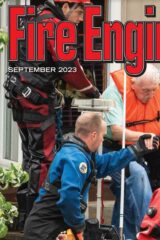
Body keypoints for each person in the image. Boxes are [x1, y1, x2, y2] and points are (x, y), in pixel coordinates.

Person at [4, 0, 101, 228]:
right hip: (36, 101)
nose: (82, 19)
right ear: (65, 6)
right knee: (44, 158)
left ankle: (25, 216)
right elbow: (69, 67)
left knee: (31, 156)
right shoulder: (55, 26)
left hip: (21, 96)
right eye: (80, 12)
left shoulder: (33, 19)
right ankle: (38, 218)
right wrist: (89, 89)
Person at [23, 112, 159, 240]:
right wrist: (79, 227)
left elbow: (107, 163)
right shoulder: (75, 158)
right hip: (45, 232)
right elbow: (69, 196)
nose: (102, 140)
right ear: (94, 135)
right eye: (102, 135)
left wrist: (136, 149)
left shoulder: (81, 154)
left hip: (60, 229)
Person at [101, 64, 160, 240]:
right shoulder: (115, 93)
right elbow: (117, 131)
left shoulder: (154, 91)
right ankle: (148, 233)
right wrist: (145, 135)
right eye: (145, 91)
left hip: (141, 150)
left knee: (153, 178)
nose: (150, 95)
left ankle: (124, 238)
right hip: (114, 150)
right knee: (137, 176)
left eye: (153, 90)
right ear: (133, 83)